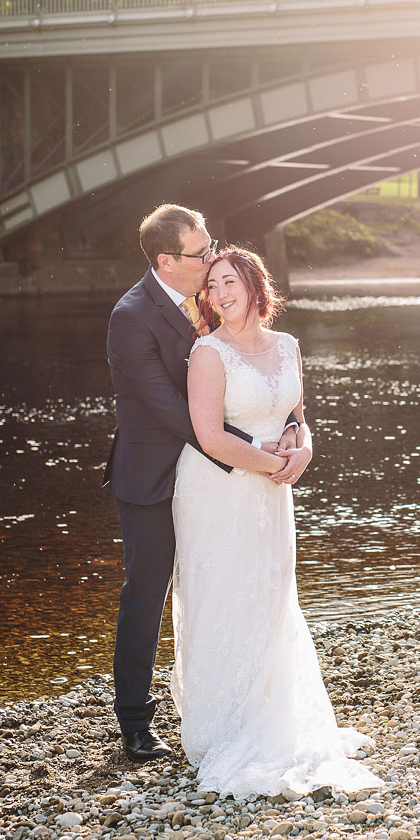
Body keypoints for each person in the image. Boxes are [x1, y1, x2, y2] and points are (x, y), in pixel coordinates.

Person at [170, 246, 382, 798]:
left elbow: (297, 419)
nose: (219, 294)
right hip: (218, 489)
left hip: (271, 491)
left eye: (229, 282)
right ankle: (221, 723)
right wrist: (275, 466)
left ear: (254, 286)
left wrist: (303, 452)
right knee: (223, 595)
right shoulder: (207, 353)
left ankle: (273, 707)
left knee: (269, 594)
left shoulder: (288, 347)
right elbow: (210, 435)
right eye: (211, 286)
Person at [103, 205, 299, 763]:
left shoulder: (211, 303)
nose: (211, 257)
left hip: (214, 478)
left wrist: (286, 429)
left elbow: (254, 376)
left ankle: (240, 702)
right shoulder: (132, 315)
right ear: (167, 260)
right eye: (200, 252)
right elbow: (171, 410)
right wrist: (253, 449)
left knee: (225, 584)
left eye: (212, 247)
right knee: (147, 591)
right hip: (152, 476)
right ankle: (136, 723)